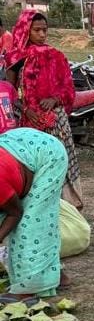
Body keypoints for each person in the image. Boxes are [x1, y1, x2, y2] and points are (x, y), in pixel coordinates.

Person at [7, 10, 81, 209]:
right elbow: (10, 93)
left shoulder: (55, 56)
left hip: (55, 119)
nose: (42, 34)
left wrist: (54, 99)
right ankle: (36, 206)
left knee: (60, 157)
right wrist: (25, 110)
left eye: (44, 30)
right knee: (33, 163)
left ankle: (67, 205)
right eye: (36, 30)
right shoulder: (15, 59)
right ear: (25, 31)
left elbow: (68, 88)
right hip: (28, 122)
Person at [0, 127, 67, 302]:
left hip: (48, 156)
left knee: (30, 225)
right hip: (21, 145)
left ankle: (27, 289)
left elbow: (15, 213)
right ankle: (55, 275)